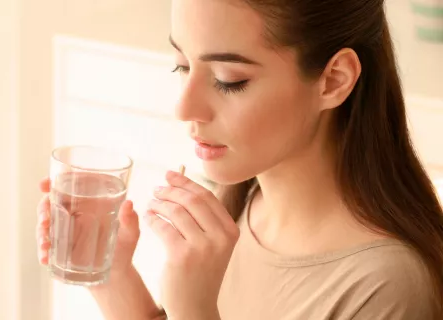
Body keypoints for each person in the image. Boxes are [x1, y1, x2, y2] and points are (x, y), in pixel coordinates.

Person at [36, 0, 443, 319]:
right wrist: (110, 273)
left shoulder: (387, 289)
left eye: (230, 81)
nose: (184, 107)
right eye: (182, 65)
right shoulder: (239, 202)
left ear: (334, 79)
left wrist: (195, 311)